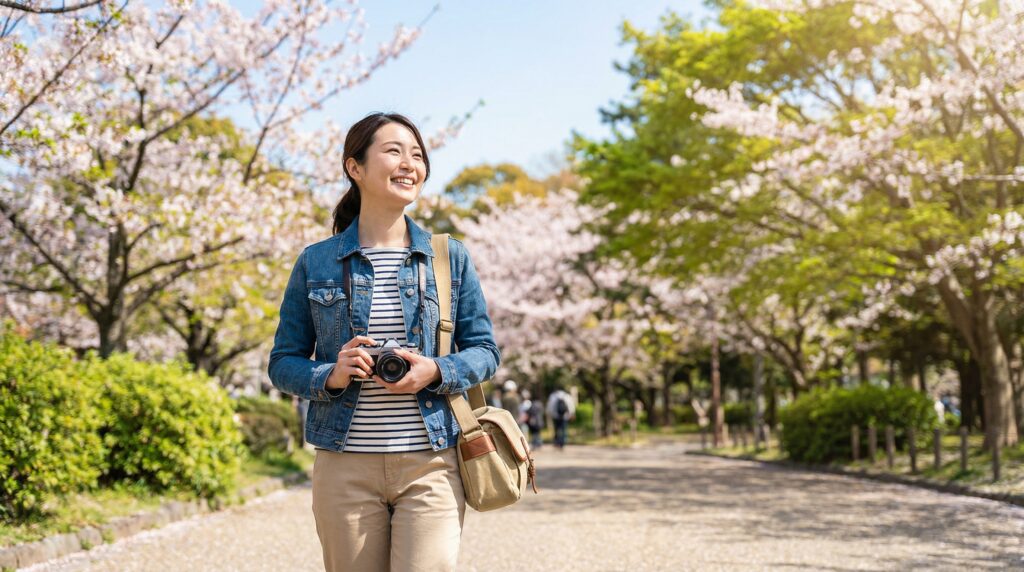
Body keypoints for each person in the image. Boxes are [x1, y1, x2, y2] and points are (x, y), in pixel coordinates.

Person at [267, 112, 501, 572]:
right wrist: (329, 374)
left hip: (432, 461)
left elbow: (485, 351)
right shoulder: (316, 262)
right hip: (345, 467)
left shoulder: (447, 257)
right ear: (354, 167)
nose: (409, 163)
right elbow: (282, 362)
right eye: (393, 151)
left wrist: (436, 370)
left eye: (417, 155)